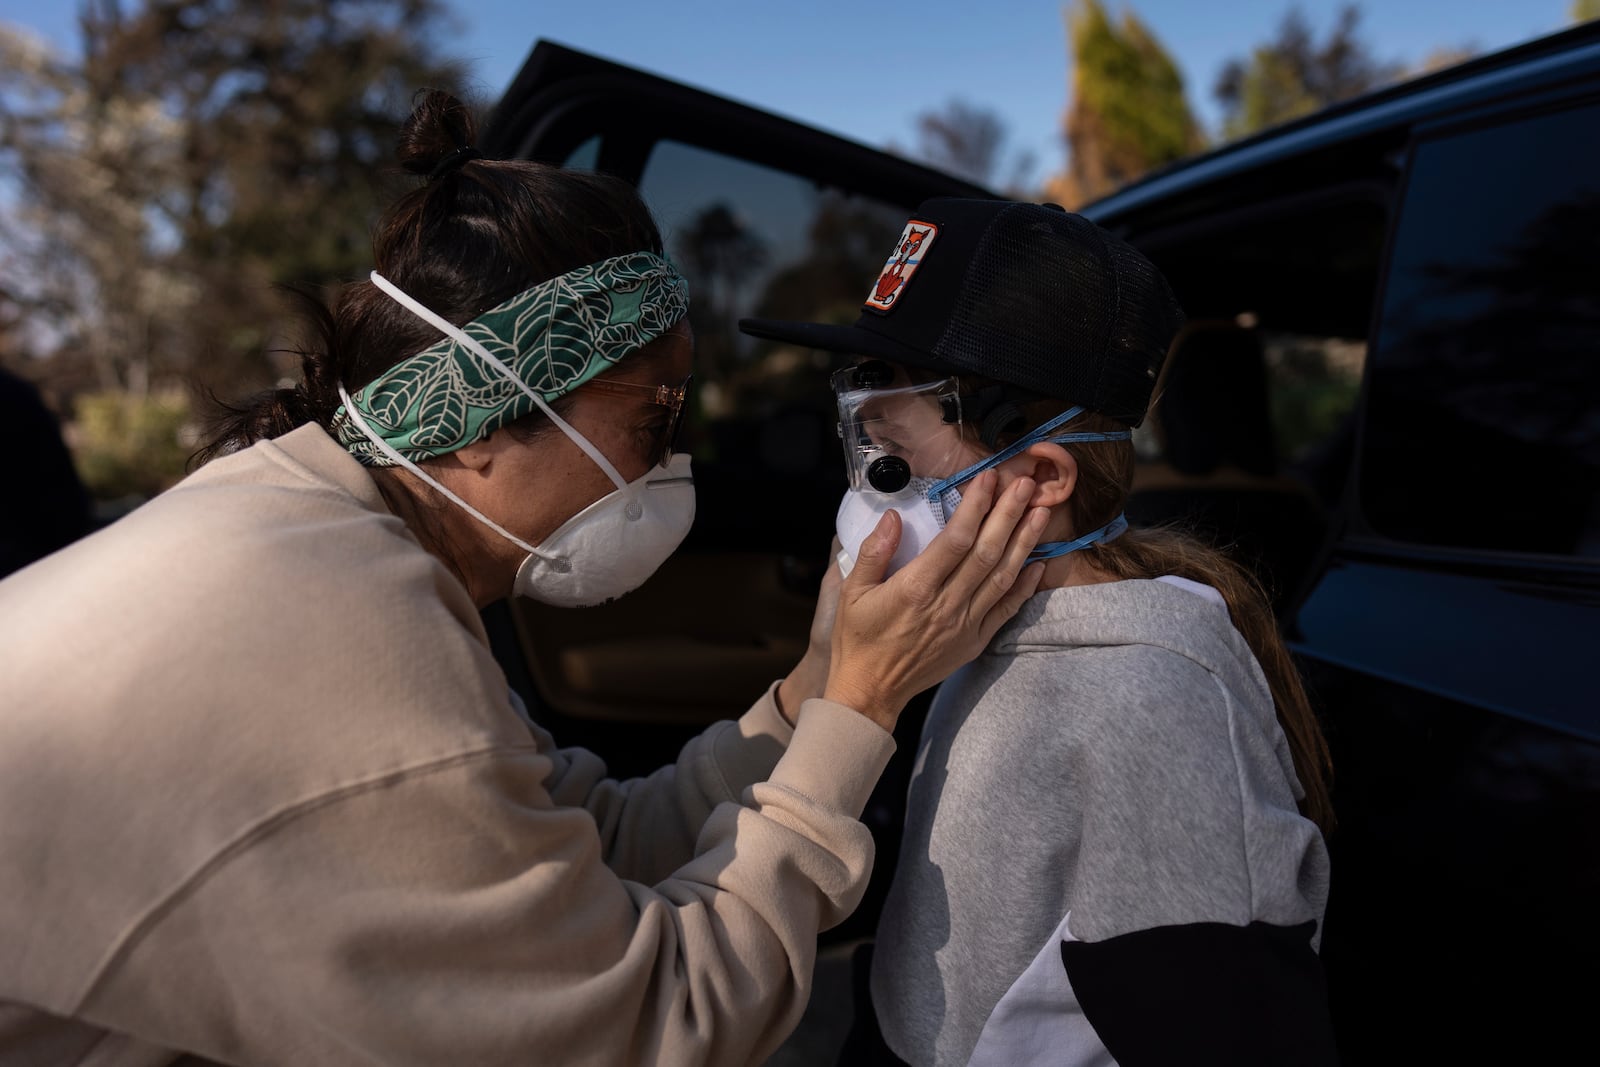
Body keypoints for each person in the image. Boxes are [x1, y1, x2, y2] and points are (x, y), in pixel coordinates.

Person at [0, 95, 1052, 1067]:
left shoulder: (316, 537)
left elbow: (577, 847)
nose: (671, 461)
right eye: (652, 419)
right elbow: (648, 1023)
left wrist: (818, 679)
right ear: (476, 428)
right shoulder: (328, 633)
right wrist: (865, 707)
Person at [740, 197, 1339, 1066]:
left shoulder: (1147, 706)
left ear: (1040, 476)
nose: (867, 497)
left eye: (892, 463)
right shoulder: (979, 629)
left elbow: (1226, 1030)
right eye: (862, 454)